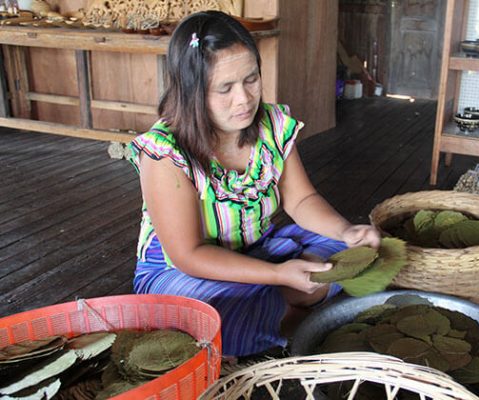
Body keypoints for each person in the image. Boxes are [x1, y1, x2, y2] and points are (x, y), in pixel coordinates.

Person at [128, 10, 380, 357]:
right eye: (224, 89)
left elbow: (302, 200)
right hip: (186, 271)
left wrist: (345, 231)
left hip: (258, 247)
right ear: (191, 91)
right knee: (206, 316)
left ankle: (278, 309)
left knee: (351, 250)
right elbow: (189, 255)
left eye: (251, 79)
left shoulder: (271, 125)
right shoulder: (165, 153)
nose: (244, 99)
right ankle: (287, 310)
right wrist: (278, 275)